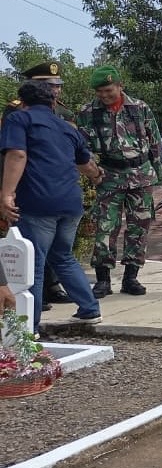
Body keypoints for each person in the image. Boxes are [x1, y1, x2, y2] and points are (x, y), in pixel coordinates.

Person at [0, 81, 104, 329]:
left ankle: (29, 326)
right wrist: (98, 177)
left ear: (22, 103)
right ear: (54, 102)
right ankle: (89, 308)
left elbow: (17, 154)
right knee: (63, 256)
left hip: (38, 202)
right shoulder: (67, 128)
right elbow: (86, 164)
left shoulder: (20, 120)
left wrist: (6, 194)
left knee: (32, 262)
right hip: (70, 203)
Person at [76, 65, 162, 298]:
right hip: (109, 175)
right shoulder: (88, 112)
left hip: (141, 174)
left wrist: (158, 173)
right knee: (105, 226)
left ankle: (131, 277)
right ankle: (103, 279)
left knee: (139, 226)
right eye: (99, 92)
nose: (104, 96)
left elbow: (155, 140)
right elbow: (80, 148)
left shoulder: (140, 108)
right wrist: (92, 173)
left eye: (108, 90)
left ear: (120, 86)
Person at [17, 61, 74, 308]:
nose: (56, 90)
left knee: (55, 248)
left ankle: (51, 287)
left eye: (58, 85)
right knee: (33, 248)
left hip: (59, 186)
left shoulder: (60, 112)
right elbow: (14, 153)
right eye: (50, 85)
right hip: (31, 186)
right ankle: (34, 297)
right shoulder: (17, 112)